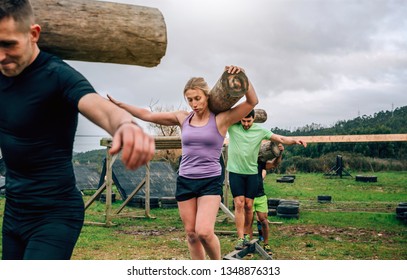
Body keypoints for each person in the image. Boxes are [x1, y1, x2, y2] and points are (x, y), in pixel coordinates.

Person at [0, 0, 155, 260]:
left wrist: (125, 125)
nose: (0, 56)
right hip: (14, 211)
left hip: (55, 214)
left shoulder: (58, 75)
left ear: (33, 34)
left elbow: (99, 106)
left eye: (8, 44)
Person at [107, 65, 258, 259]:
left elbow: (252, 101)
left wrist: (243, 76)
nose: (194, 104)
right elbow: (147, 115)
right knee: (192, 235)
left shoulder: (221, 119)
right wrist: (120, 105)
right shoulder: (183, 118)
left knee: (204, 231)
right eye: (190, 100)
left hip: (209, 181)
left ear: (207, 96)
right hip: (185, 180)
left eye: (198, 98)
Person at [227, 109, 307, 249]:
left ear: (253, 119)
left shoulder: (260, 131)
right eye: (243, 121)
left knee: (249, 206)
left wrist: (295, 140)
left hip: (251, 172)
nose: (246, 124)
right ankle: (240, 238)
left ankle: (246, 234)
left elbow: (281, 139)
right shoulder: (232, 127)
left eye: (249, 121)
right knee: (239, 204)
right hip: (235, 172)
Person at [252, 143, 284, 255]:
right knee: (248, 222)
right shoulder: (244, 162)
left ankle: (266, 244)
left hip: (260, 195)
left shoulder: (260, 162)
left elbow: (274, 164)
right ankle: (250, 246)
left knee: (264, 221)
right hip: (248, 196)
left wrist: (279, 154)